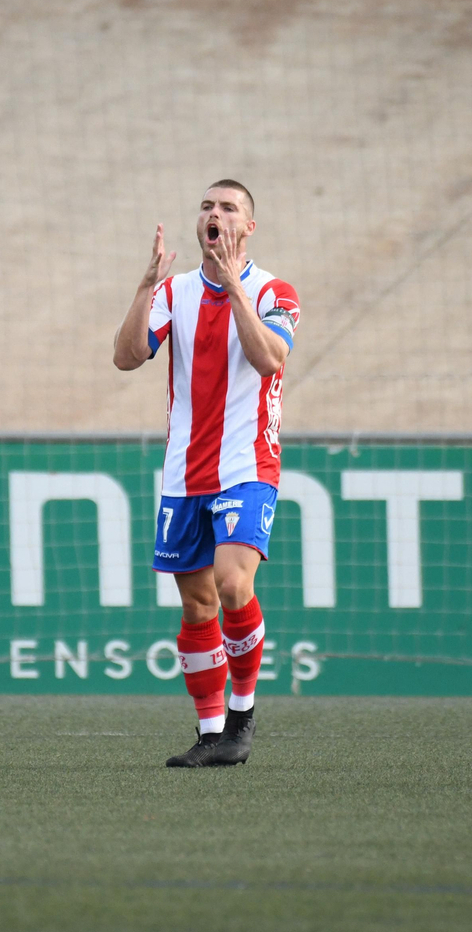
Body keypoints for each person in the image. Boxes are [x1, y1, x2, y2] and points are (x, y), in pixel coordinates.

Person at [113, 180, 302, 767]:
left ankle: (242, 716)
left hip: (247, 463)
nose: (214, 214)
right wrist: (144, 287)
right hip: (184, 472)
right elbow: (126, 357)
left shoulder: (274, 291)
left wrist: (233, 286)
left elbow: (269, 358)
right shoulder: (174, 291)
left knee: (232, 585)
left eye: (228, 208)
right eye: (206, 206)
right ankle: (211, 731)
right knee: (197, 606)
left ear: (248, 227)